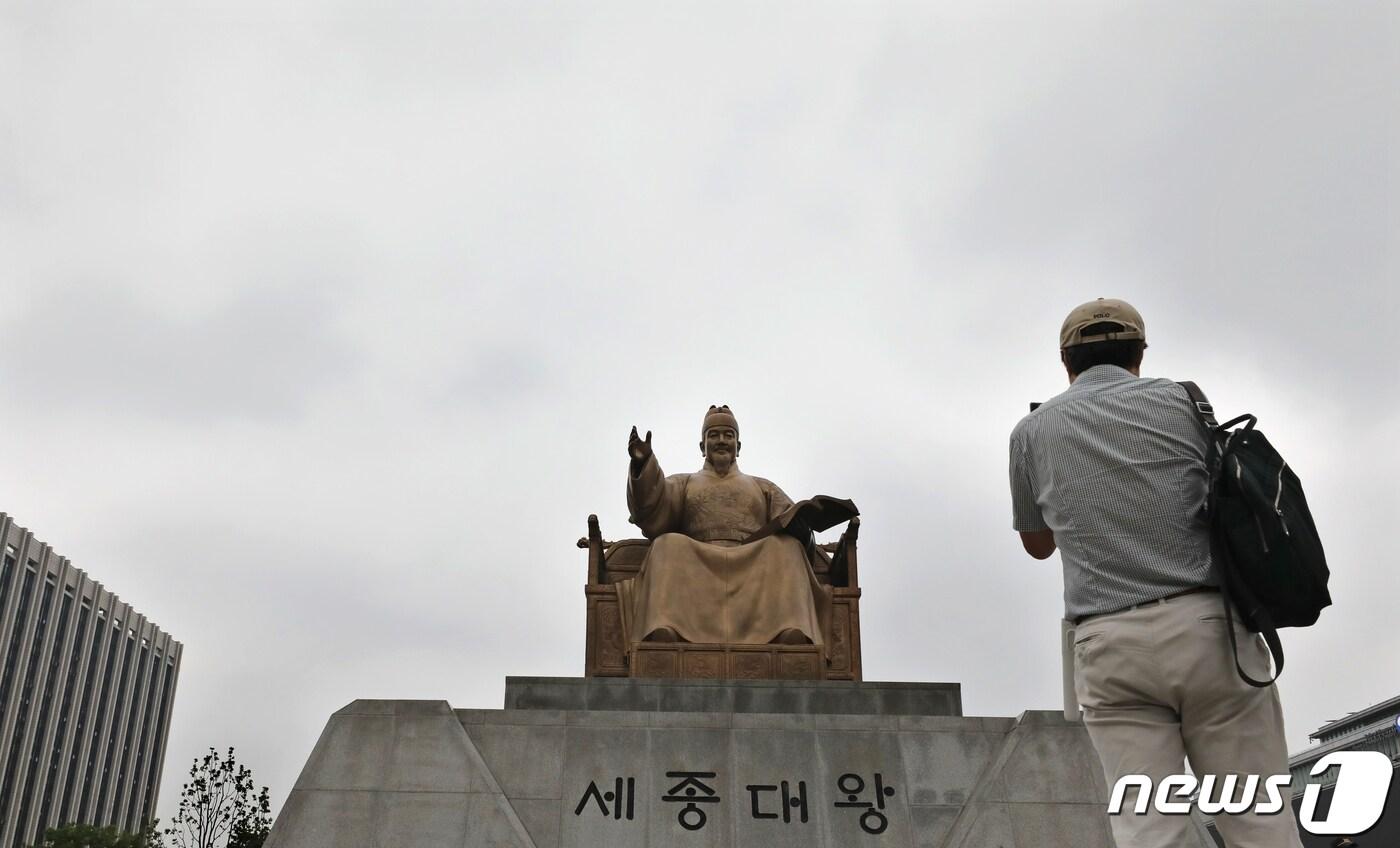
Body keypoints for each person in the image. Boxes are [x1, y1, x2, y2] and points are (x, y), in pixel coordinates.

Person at [1008, 298, 1304, 848]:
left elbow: (1037, 545)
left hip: (1108, 643)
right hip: (1209, 627)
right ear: (1139, 354)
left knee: (1150, 829)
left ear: (1064, 361)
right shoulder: (1182, 400)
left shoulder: (1030, 432)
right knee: (1258, 818)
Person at [616, 405, 831, 649]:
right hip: (698, 555)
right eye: (714, 435)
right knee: (666, 544)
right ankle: (667, 627)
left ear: (738, 447)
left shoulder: (762, 486)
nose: (721, 441)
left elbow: (790, 518)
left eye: (728, 436)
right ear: (702, 446)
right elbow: (652, 506)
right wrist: (643, 465)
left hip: (752, 557)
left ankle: (789, 629)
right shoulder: (685, 482)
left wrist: (803, 531)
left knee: (788, 548)